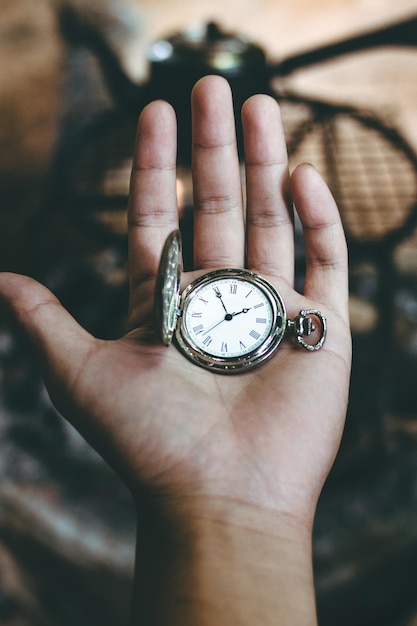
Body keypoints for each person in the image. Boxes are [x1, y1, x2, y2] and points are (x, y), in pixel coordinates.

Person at [0, 75, 351, 625]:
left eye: (234, 312)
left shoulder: (261, 318)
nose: (231, 313)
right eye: (225, 311)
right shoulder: (219, 316)